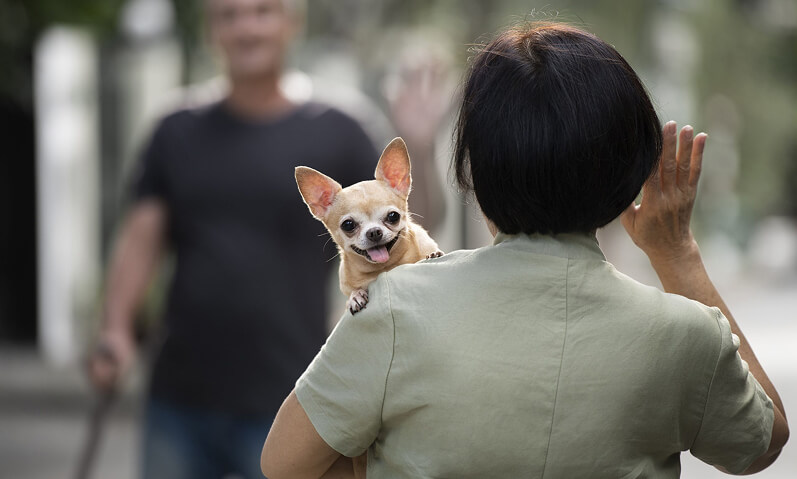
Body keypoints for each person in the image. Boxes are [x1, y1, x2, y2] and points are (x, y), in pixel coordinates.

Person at [261, 22, 789, 478]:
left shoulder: (391, 308)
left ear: (472, 174)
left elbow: (283, 465)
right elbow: (762, 442)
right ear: (630, 173)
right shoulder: (687, 334)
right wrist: (677, 254)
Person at [86, 0, 446, 478]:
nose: (246, 27)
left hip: (294, 398)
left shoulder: (340, 125)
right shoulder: (176, 128)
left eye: (262, 11)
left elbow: (420, 219)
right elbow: (140, 239)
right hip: (181, 396)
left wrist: (418, 144)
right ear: (212, 28)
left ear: (290, 20)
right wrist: (114, 328)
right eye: (229, 15)